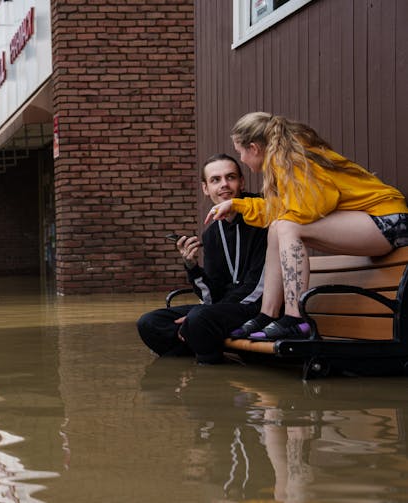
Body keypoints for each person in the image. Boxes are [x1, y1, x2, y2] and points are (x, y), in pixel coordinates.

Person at [208, 112, 408, 341]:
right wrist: (237, 204)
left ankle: (295, 318)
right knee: (277, 226)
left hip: (389, 220)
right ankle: (268, 313)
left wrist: (242, 205)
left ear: (253, 148)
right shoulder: (285, 160)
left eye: (240, 152)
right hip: (371, 222)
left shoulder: (292, 160)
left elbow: (314, 204)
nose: (241, 158)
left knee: (286, 226)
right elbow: (283, 210)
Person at [137, 154, 268, 363]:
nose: (224, 185)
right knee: (150, 322)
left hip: (257, 307)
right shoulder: (212, 233)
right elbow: (212, 294)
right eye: (215, 180)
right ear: (205, 188)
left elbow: (259, 287)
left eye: (230, 177)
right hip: (224, 309)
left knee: (198, 319)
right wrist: (192, 267)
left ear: (241, 182)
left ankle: (211, 372)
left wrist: (207, 312)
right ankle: (190, 373)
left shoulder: (262, 215)